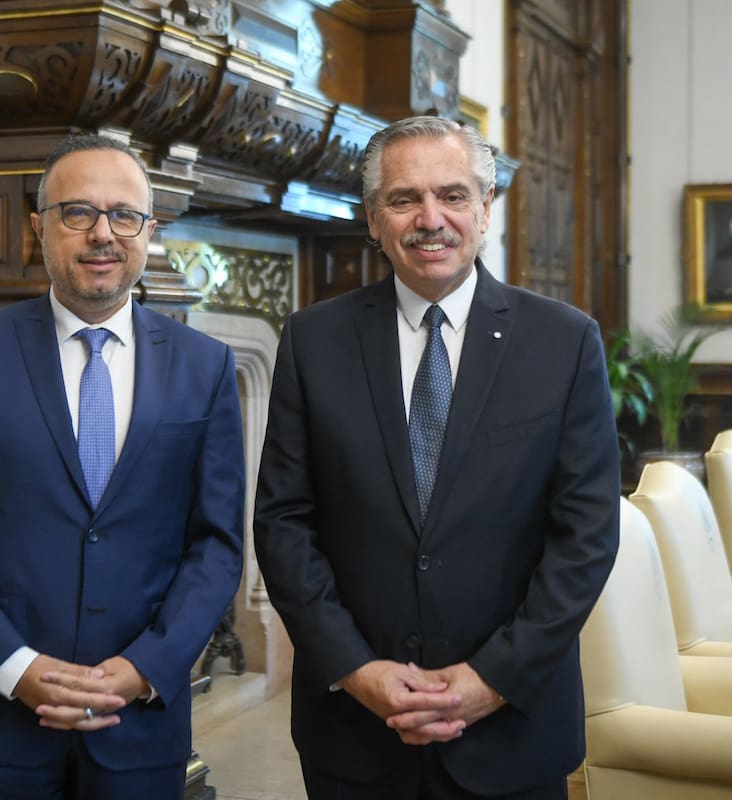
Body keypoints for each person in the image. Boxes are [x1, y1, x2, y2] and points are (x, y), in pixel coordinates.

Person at [254, 116, 620, 799]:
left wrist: (491, 680)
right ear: (372, 219)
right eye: (403, 199)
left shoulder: (565, 343)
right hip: (354, 731)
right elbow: (283, 523)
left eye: (453, 196)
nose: (431, 219)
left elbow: (587, 537)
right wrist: (356, 669)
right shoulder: (312, 341)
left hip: (512, 728)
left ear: (486, 209)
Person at [0, 133, 245, 800]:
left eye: (124, 215)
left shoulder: (205, 366)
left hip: (138, 726)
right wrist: (14, 666)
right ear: (39, 229)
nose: (102, 234)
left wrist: (147, 666)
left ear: (150, 230)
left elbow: (218, 545)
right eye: (78, 212)